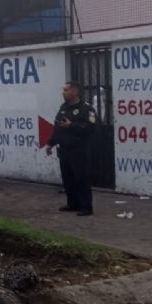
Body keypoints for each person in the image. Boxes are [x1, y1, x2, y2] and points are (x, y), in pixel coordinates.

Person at [45, 82, 97, 216]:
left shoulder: (86, 109)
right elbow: (57, 127)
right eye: (63, 90)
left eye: (66, 90)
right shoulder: (64, 107)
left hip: (79, 150)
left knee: (81, 178)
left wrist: (72, 126)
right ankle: (73, 203)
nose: (63, 92)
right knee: (68, 178)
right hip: (64, 150)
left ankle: (86, 207)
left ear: (74, 92)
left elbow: (91, 128)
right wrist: (51, 143)